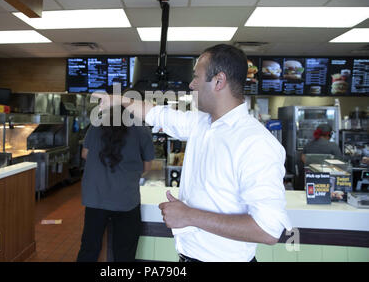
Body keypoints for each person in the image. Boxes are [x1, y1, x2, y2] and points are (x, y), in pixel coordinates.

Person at [94, 44, 292, 262]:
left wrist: (189, 216)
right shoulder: (202, 123)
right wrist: (120, 100)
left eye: (197, 77)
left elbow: (268, 230)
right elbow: (157, 114)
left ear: (219, 81)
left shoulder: (255, 143)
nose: (191, 84)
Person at [76, 105, 155, 262]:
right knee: (124, 252)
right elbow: (147, 167)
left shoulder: (97, 123)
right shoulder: (141, 129)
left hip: (96, 197)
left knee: (89, 248)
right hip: (126, 199)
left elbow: (85, 154)